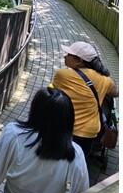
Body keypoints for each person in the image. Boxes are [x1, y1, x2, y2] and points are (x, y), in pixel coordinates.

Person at [0, 88, 90, 193]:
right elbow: (81, 191)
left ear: (34, 111)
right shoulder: (75, 154)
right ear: (68, 119)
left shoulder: (14, 133)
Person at [50, 41, 118, 169]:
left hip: (65, 127)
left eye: (68, 54)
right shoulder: (105, 80)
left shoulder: (62, 75)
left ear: (79, 61)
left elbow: (53, 92)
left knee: (57, 159)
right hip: (88, 132)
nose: (65, 56)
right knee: (78, 161)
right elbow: (116, 92)